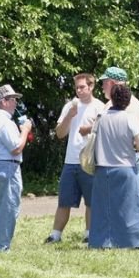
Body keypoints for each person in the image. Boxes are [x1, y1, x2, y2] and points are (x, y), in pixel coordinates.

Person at [45, 73, 105, 244]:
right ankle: (55, 235)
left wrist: (92, 126)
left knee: (91, 201)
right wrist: (70, 115)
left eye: (82, 87)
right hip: (70, 161)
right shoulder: (70, 106)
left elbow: (106, 130)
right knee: (64, 200)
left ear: (91, 87)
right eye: (77, 87)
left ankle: (89, 234)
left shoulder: (100, 107)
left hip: (90, 160)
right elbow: (59, 134)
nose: (79, 91)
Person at [88, 84, 139, 249]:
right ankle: (134, 241)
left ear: (112, 98)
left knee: (103, 209)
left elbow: (93, 138)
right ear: (128, 101)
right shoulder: (130, 118)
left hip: (103, 168)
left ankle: (101, 241)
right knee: (130, 210)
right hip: (125, 168)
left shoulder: (101, 117)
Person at [0, 84, 32, 252]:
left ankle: (0, 244)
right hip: (6, 167)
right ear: (3, 101)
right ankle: (1, 247)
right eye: (13, 99)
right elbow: (16, 147)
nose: (16, 103)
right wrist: (25, 130)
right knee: (8, 209)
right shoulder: (4, 121)